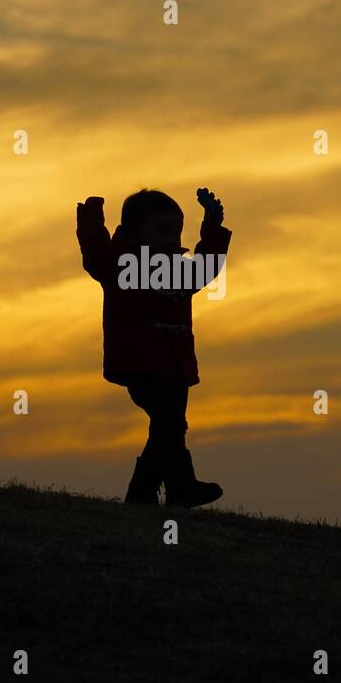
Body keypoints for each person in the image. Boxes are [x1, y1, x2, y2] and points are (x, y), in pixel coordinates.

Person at [75, 187, 232, 506]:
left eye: (176, 232)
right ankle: (180, 485)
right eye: (162, 231)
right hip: (139, 364)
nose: (172, 239)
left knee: (168, 428)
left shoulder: (177, 270)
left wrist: (212, 228)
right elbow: (95, 253)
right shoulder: (119, 265)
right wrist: (91, 217)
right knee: (169, 424)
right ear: (134, 231)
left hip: (176, 366)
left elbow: (205, 269)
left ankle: (142, 495)